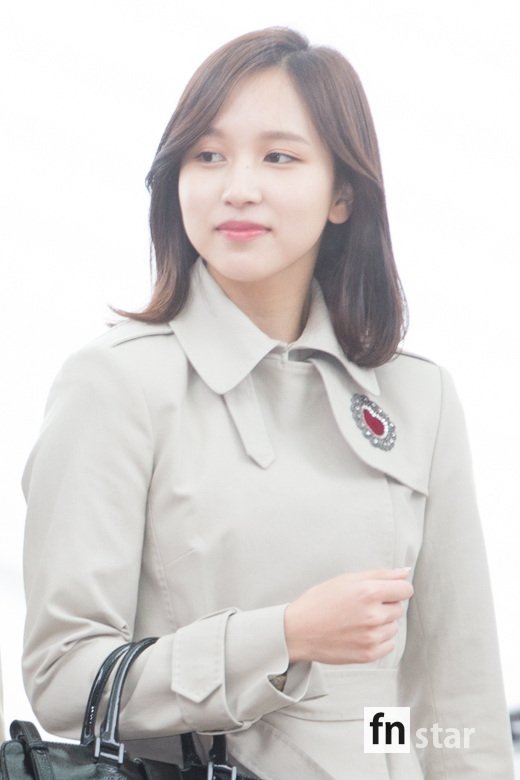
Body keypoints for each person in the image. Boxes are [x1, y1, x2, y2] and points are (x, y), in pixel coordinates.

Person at [21, 27, 514, 779]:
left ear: (343, 193)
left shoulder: (419, 396)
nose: (238, 187)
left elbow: (449, 703)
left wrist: (392, 752)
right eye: (207, 155)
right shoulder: (115, 384)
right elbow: (64, 678)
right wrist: (282, 637)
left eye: (278, 157)